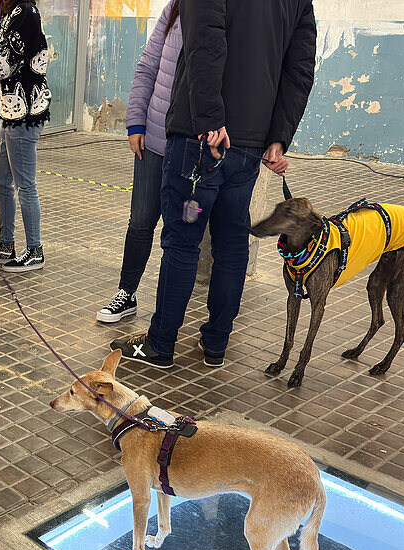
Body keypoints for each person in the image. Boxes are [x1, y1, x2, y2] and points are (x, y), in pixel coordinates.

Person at [110, 0, 315, 368]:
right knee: (232, 244)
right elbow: (299, 68)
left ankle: (161, 344)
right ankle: (216, 344)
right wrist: (278, 137)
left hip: (200, 138)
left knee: (183, 243)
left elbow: (206, 41)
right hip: (250, 143)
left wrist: (208, 117)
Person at [96, 1, 182, 324]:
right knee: (140, 221)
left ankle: (168, 314)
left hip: (190, 151)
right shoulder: (174, 8)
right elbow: (148, 66)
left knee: (181, 233)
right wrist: (135, 122)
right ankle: (126, 293)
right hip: (155, 142)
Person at [0, 0, 51, 273]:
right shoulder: (8, 15)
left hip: (24, 113)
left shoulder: (25, 13)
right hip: (10, 112)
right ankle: (6, 243)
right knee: (3, 181)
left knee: (25, 184)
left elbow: (0, 67)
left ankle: (35, 249)